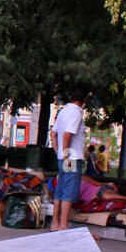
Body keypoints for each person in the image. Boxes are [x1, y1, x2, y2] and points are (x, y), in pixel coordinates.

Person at [50, 89, 88, 231]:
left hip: (63, 154)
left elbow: (53, 133)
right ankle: (63, 224)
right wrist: (66, 154)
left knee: (60, 189)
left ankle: (55, 223)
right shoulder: (76, 112)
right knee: (69, 190)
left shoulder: (63, 111)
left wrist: (58, 151)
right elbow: (67, 135)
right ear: (84, 101)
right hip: (71, 155)